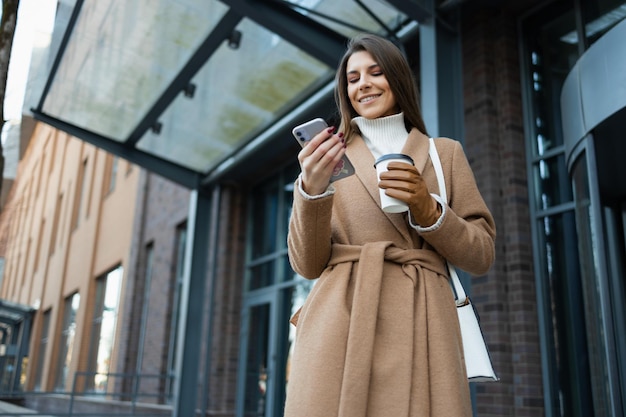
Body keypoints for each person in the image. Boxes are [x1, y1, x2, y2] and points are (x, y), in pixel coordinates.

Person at [284, 33, 496, 417]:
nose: (363, 83)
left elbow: (481, 255)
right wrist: (311, 192)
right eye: (352, 78)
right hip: (341, 325)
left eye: (376, 72)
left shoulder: (443, 153)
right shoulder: (330, 156)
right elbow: (307, 265)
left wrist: (428, 209)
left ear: (397, 79)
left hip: (425, 324)